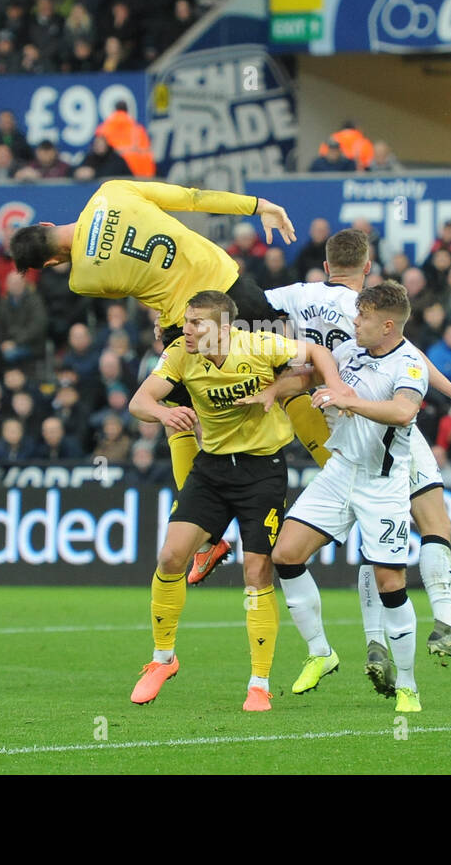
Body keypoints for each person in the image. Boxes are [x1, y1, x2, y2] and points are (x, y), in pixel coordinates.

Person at [260, 229, 451, 683]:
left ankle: (374, 642)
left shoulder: (296, 294)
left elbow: (248, 302)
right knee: (433, 523)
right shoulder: (366, 311)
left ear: (326, 267)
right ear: (367, 268)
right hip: (379, 425)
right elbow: (412, 357)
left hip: (337, 425)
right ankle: (443, 624)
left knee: (371, 535)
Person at [6, 179, 297, 517]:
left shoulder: (82, 279)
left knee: (177, 417)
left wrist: (162, 317)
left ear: (50, 264)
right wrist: (259, 205)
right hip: (230, 286)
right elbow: (193, 197)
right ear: (46, 225)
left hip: (186, 321)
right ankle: (332, 464)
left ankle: (198, 523)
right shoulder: (111, 190)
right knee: (290, 374)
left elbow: (146, 284)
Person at [125, 289, 346, 711]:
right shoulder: (179, 354)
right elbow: (140, 401)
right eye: (186, 321)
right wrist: (165, 413)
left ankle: (259, 683)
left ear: (224, 329)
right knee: (171, 557)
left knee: (256, 571)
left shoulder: (260, 345)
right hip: (211, 470)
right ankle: (162, 660)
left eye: (197, 323)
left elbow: (316, 353)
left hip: (261, 472)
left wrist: (291, 389)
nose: (186, 330)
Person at [253, 282, 429, 713]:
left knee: (391, 584)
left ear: (387, 325)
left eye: (362, 318)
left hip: (382, 485)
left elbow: (404, 411)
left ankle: (407, 685)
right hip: (340, 472)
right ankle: (321, 652)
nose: (353, 323)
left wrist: (348, 401)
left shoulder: (408, 365)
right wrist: (276, 391)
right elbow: (311, 372)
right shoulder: (349, 352)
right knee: (286, 555)